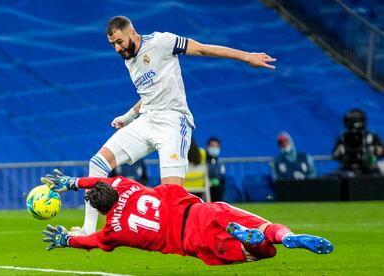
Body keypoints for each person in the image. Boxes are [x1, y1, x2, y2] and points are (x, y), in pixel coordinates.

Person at [77, 15, 276, 235]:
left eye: (119, 42)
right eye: (112, 44)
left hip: (173, 121)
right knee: (97, 164)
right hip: (147, 120)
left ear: (132, 33)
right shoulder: (129, 58)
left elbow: (201, 49)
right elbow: (150, 93)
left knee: (172, 199)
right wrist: (127, 117)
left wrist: (247, 56)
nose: (116, 48)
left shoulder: (161, 42)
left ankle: (228, 227)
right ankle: (87, 230)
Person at [41, 170, 333, 266]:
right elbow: (102, 181)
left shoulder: (115, 230)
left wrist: (67, 239)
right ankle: (288, 237)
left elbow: (92, 240)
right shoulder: (126, 184)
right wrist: (72, 182)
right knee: (266, 229)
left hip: (192, 241)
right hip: (204, 212)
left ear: (103, 211)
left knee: (262, 253)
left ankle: (253, 243)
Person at [332, 108, 383, 176]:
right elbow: (335, 156)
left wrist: (375, 150)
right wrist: (340, 151)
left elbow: (381, 152)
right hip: (347, 169)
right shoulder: (343, 137)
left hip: (369, 170)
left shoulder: (371, 136)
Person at [206, 136, 226, 202]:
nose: (214, 148)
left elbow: (222, 177)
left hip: (216, 190)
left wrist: (217, 180)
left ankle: (218, 205)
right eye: (212, 146)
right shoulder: (202, 161)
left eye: (217, 146)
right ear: (207, 147)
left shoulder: (220, 163)